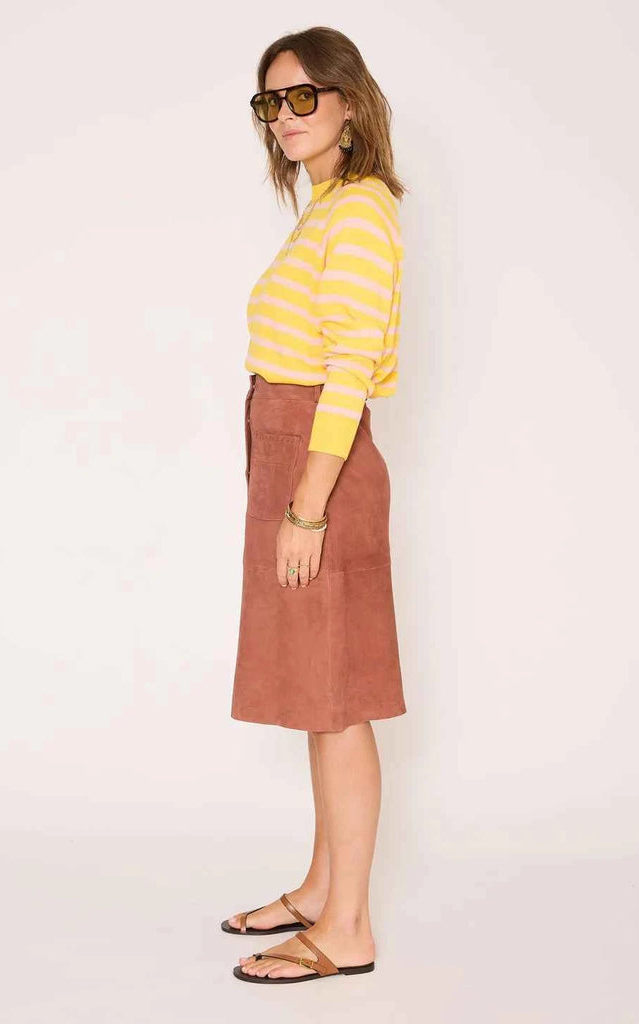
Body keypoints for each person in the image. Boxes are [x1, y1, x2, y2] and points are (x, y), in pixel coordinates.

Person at [224, 25, 409, 985]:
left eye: (303, 96)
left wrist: (305, 509)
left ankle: (346, 929)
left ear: (347, 102)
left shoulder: (361, 210)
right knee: (316, 691)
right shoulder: (325, 209)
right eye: (271, 101)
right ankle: (318, 888)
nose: (285, 116)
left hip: (319, 469)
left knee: (336, 702)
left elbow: (347, 374)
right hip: (295, 462)